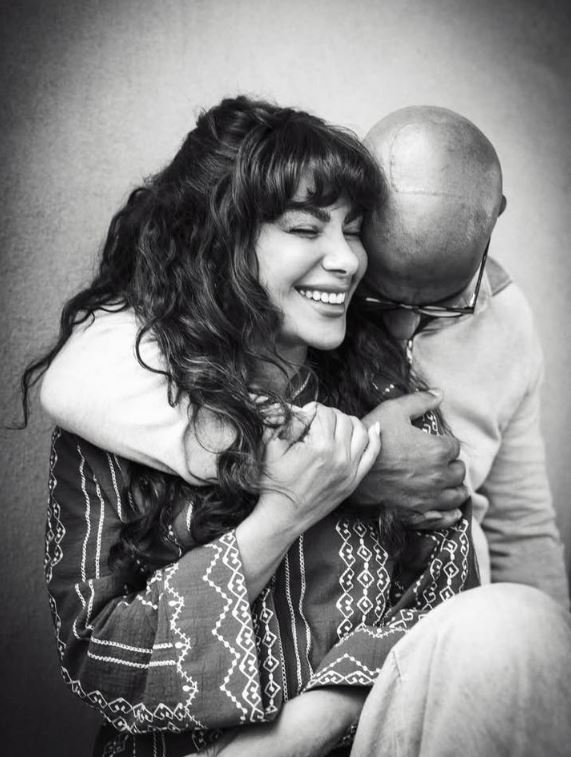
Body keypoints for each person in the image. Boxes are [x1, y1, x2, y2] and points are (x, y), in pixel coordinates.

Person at [27, 96, 481, 757]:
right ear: (222, 243)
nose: (347, 259)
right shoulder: (115, 416)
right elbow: (97, 652)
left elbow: (448, 607)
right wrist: (284, 514)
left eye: (354, 230)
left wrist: (301, 731)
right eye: (304, 229)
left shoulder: (390, 394)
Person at [357, 105, 568, 603]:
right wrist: (355, 471)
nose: (404, 325)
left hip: (466, 616)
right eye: (379, 298)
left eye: (440, 304)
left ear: (494, 219)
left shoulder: (509, 319)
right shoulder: (310, 291)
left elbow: (521, 527)